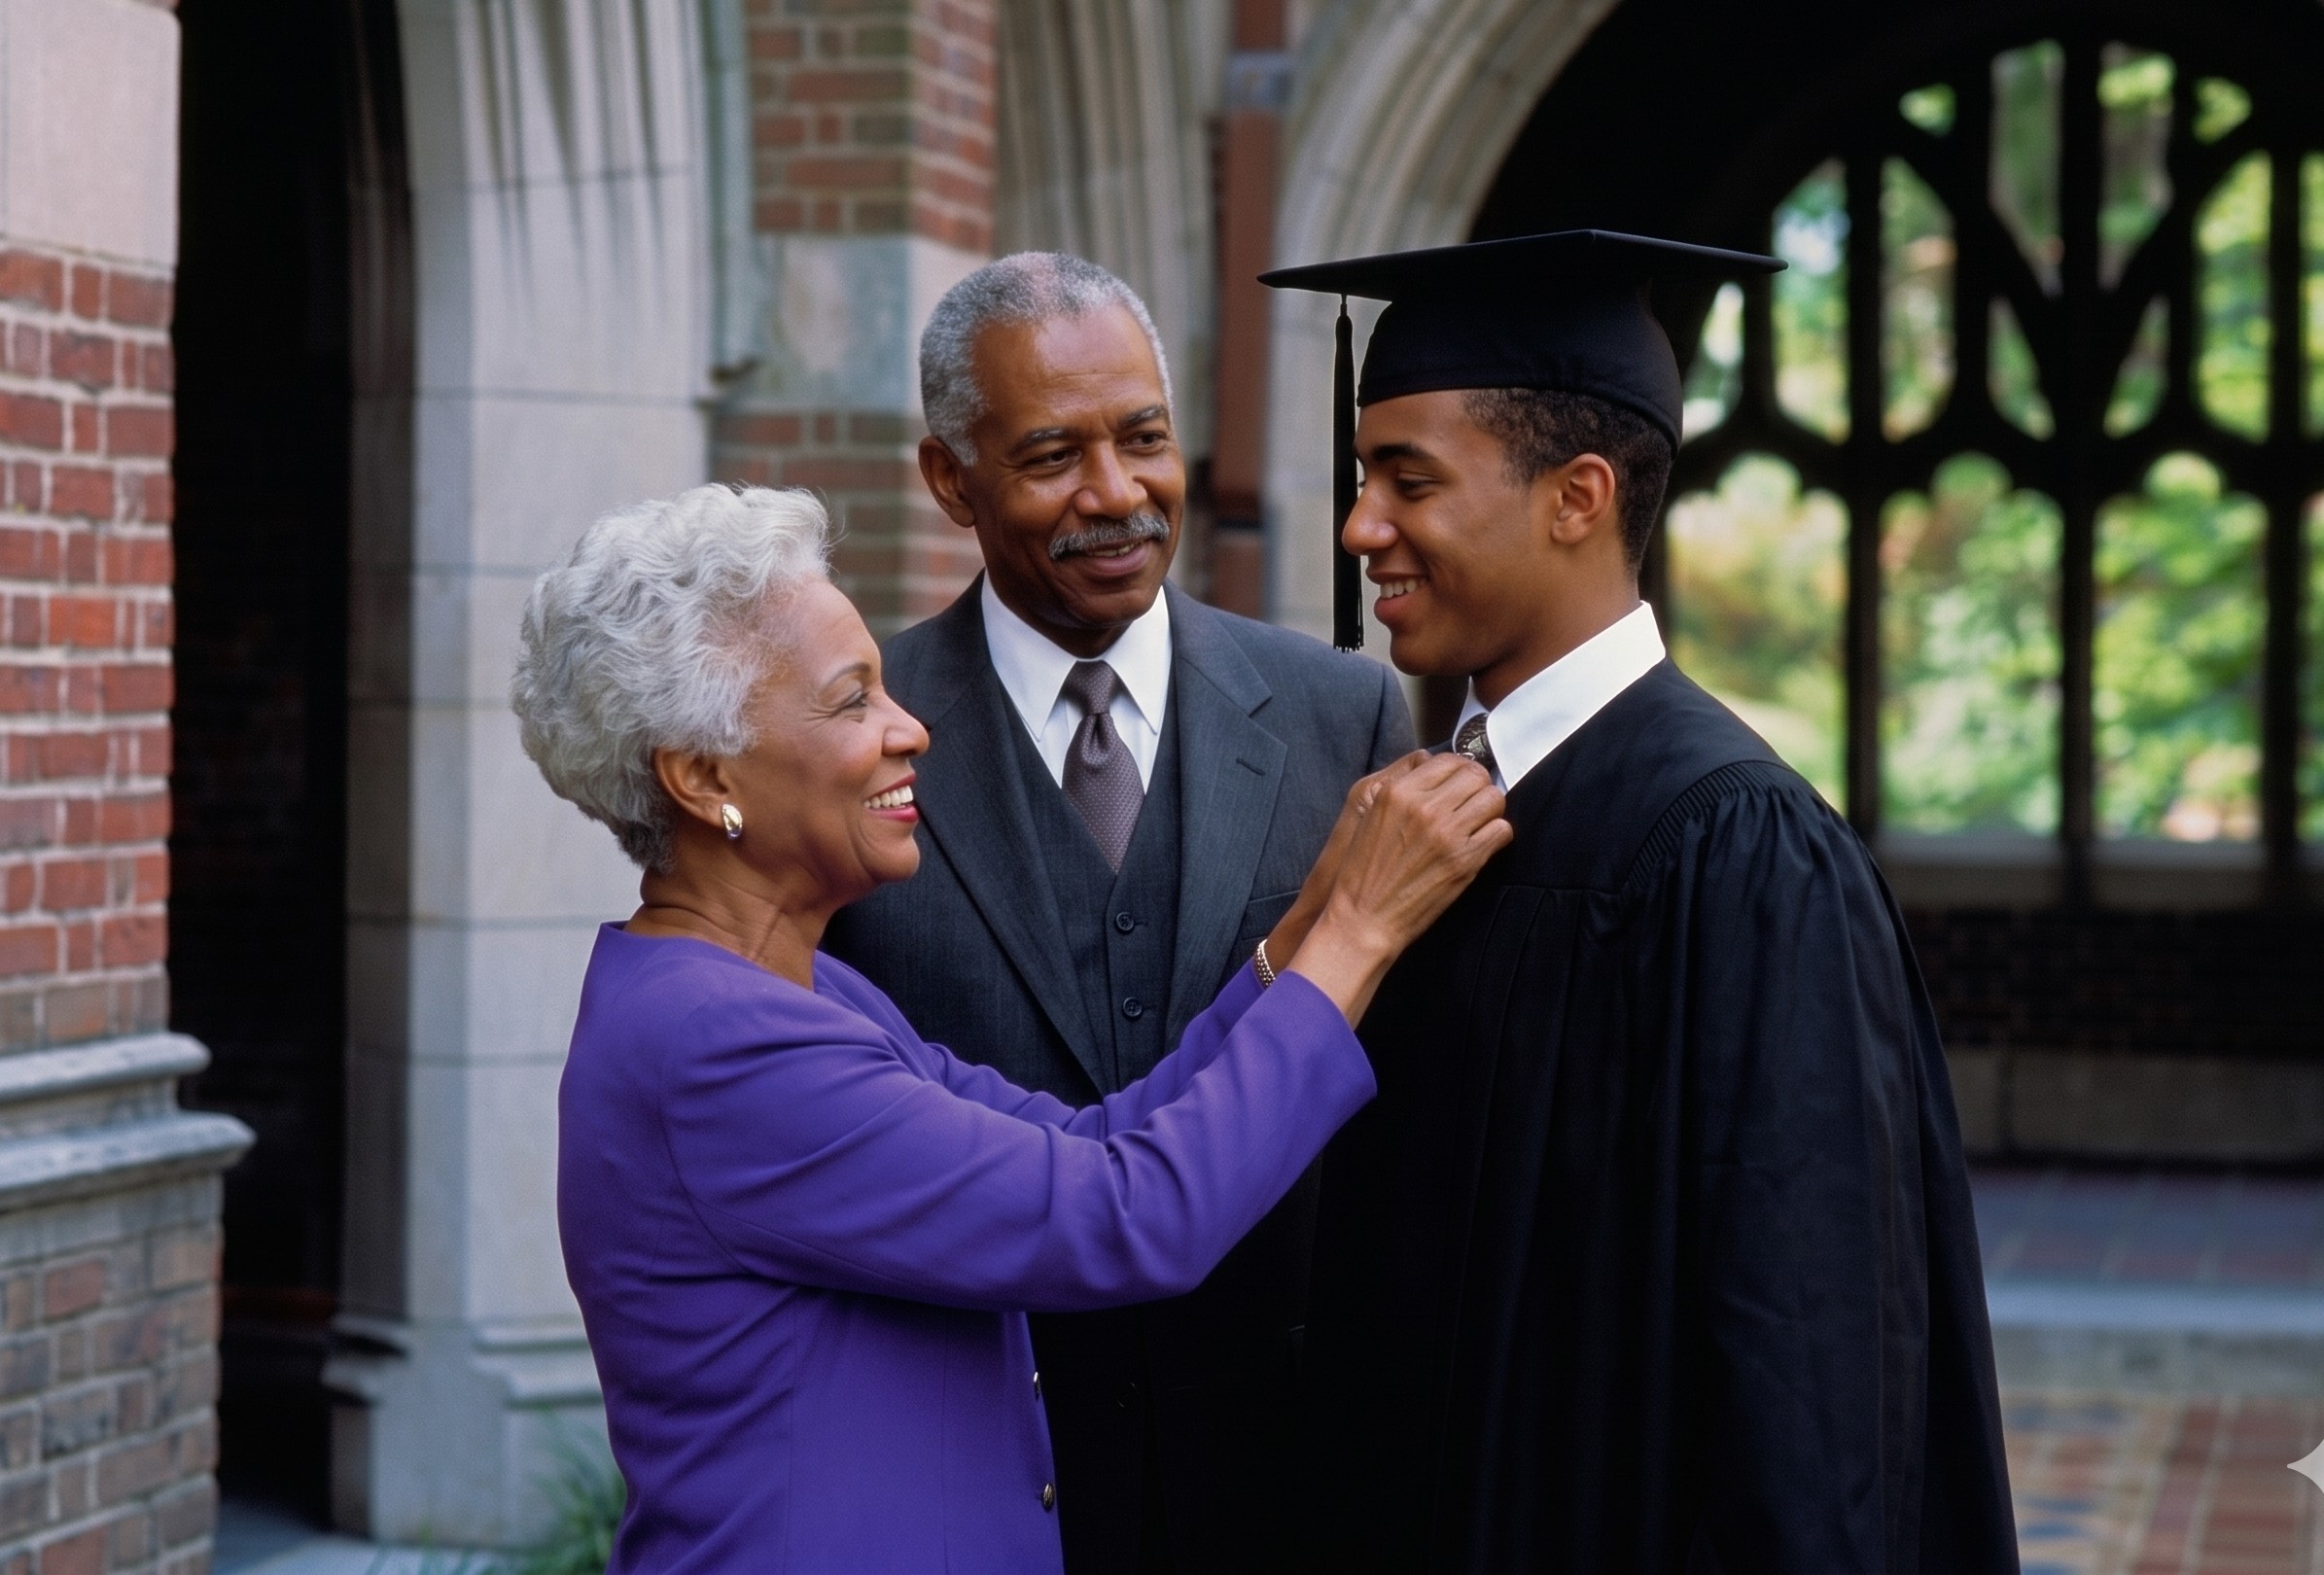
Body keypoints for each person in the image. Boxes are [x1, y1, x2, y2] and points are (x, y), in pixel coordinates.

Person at [513, 482, 1504, 1574]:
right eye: (852, 703)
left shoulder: (799, 992)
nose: (909, 730)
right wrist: (1357, 938)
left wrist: (1308, 918)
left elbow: (1096, 1144)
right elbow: (1133, 1213)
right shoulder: (715, 1046)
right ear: (704, 778)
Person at [1262, 231, 2020, 1572]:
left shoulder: (1738, 852)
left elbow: (1803, 1372)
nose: (1358, 524)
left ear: (1576, 497)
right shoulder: (1419, 817)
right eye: (1360, 474)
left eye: (1406, 480)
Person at [821, 252, 1414, 1573]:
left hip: (1284, 1479)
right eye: (1049, 456)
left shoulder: (1341, 714)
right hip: (973, 1476)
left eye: (1143, 437)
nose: (1116, 495)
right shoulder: (858, 744)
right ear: (947, 480)